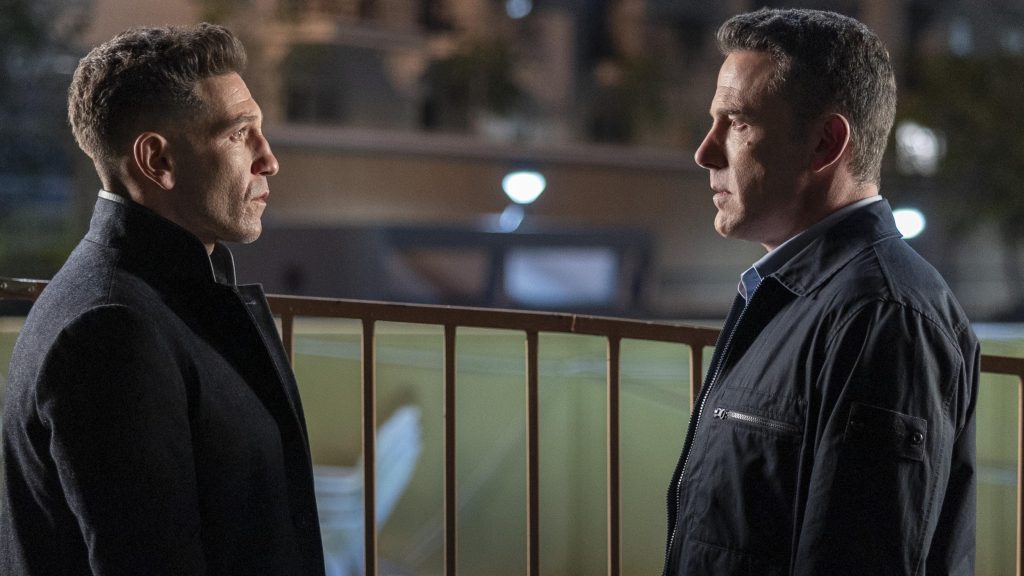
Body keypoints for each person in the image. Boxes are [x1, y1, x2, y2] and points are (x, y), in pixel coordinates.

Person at [1, 24, 326, 575]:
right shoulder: (111, 329)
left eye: (260, 131)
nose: (268, 159)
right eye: (238, 134)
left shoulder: (146, 298)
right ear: (157, 160)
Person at [664, 8, 978, 575]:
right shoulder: (804, 295)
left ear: (825, 143)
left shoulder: (881, 317)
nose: (705, 152)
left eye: (737, 123)